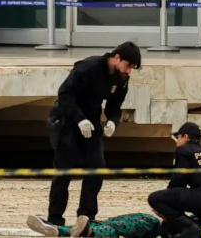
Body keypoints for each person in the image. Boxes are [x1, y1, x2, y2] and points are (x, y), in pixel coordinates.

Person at [46, 42, 142, 226]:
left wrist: (113, 121)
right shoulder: (88, 67)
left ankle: (87, 216)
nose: (129, 71)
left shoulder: (121, 77)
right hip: (67, 119)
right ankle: (55, 218)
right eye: (128, 65)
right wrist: (79, 118)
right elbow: (64, 94)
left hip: (92, 122)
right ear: (117, 58)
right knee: (64, 171)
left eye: (132, 68)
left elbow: (115, 104)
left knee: (96, 168)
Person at [148, 122, 201, 238]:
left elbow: (179, 179)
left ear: (185, 136)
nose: (176, 141)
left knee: (155, 199)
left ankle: (191, 227)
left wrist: (167, 199)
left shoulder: (184, 150)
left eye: (177, 137)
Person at [27, 213, 161, 238]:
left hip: (155, 226)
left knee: (113, 227)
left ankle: (87, 230)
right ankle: (57, 230)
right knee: (110, 225)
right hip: (152, 226)